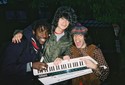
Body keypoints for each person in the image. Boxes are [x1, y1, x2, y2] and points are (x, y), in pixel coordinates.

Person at [11, 6, 77, 85]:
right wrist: (19, 32)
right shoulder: (47, 28)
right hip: (41, 71)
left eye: (67, 20)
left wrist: (62, 57)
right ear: (57, 18)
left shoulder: (68, 37)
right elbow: (32, 29)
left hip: (58, 75)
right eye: (62, 18)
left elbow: (68, 51)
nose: (64, 22)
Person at [0, 20, 50, 85]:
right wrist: (31, 65)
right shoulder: (18, 43)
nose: (44, 35)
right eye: (41, 31)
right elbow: (5, 69)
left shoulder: (41, 46)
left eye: (47, 32)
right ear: (33, 32)